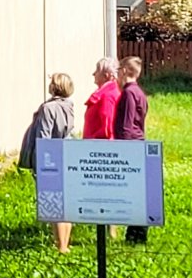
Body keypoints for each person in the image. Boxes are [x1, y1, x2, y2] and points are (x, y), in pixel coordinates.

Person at [19, 71, 75, 252]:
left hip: (49, 159)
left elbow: (43, 137)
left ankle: (61, 246)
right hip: (65, 154)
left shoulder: (48, 109)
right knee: (64, 202)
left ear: (54, 87)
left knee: (54, 202)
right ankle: (64, 242)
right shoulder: (69, 106)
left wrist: (40, 163)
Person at [116, 56, 150, 245]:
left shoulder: (129, 94)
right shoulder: (139, 93)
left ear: (124, 71)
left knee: (133, 193)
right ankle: (135, 233)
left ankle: (137, 234)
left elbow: (127, 125)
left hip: (131, 146)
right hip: (138, 144)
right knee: (137, 192)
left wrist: (123, 149)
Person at [82, 58, 120, 140]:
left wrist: (93, 140)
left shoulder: (108, 96)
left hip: (98, 147)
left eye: (97, 70)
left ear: (106, 75)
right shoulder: (105, 93)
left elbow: (107, 128)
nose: (93, 73)